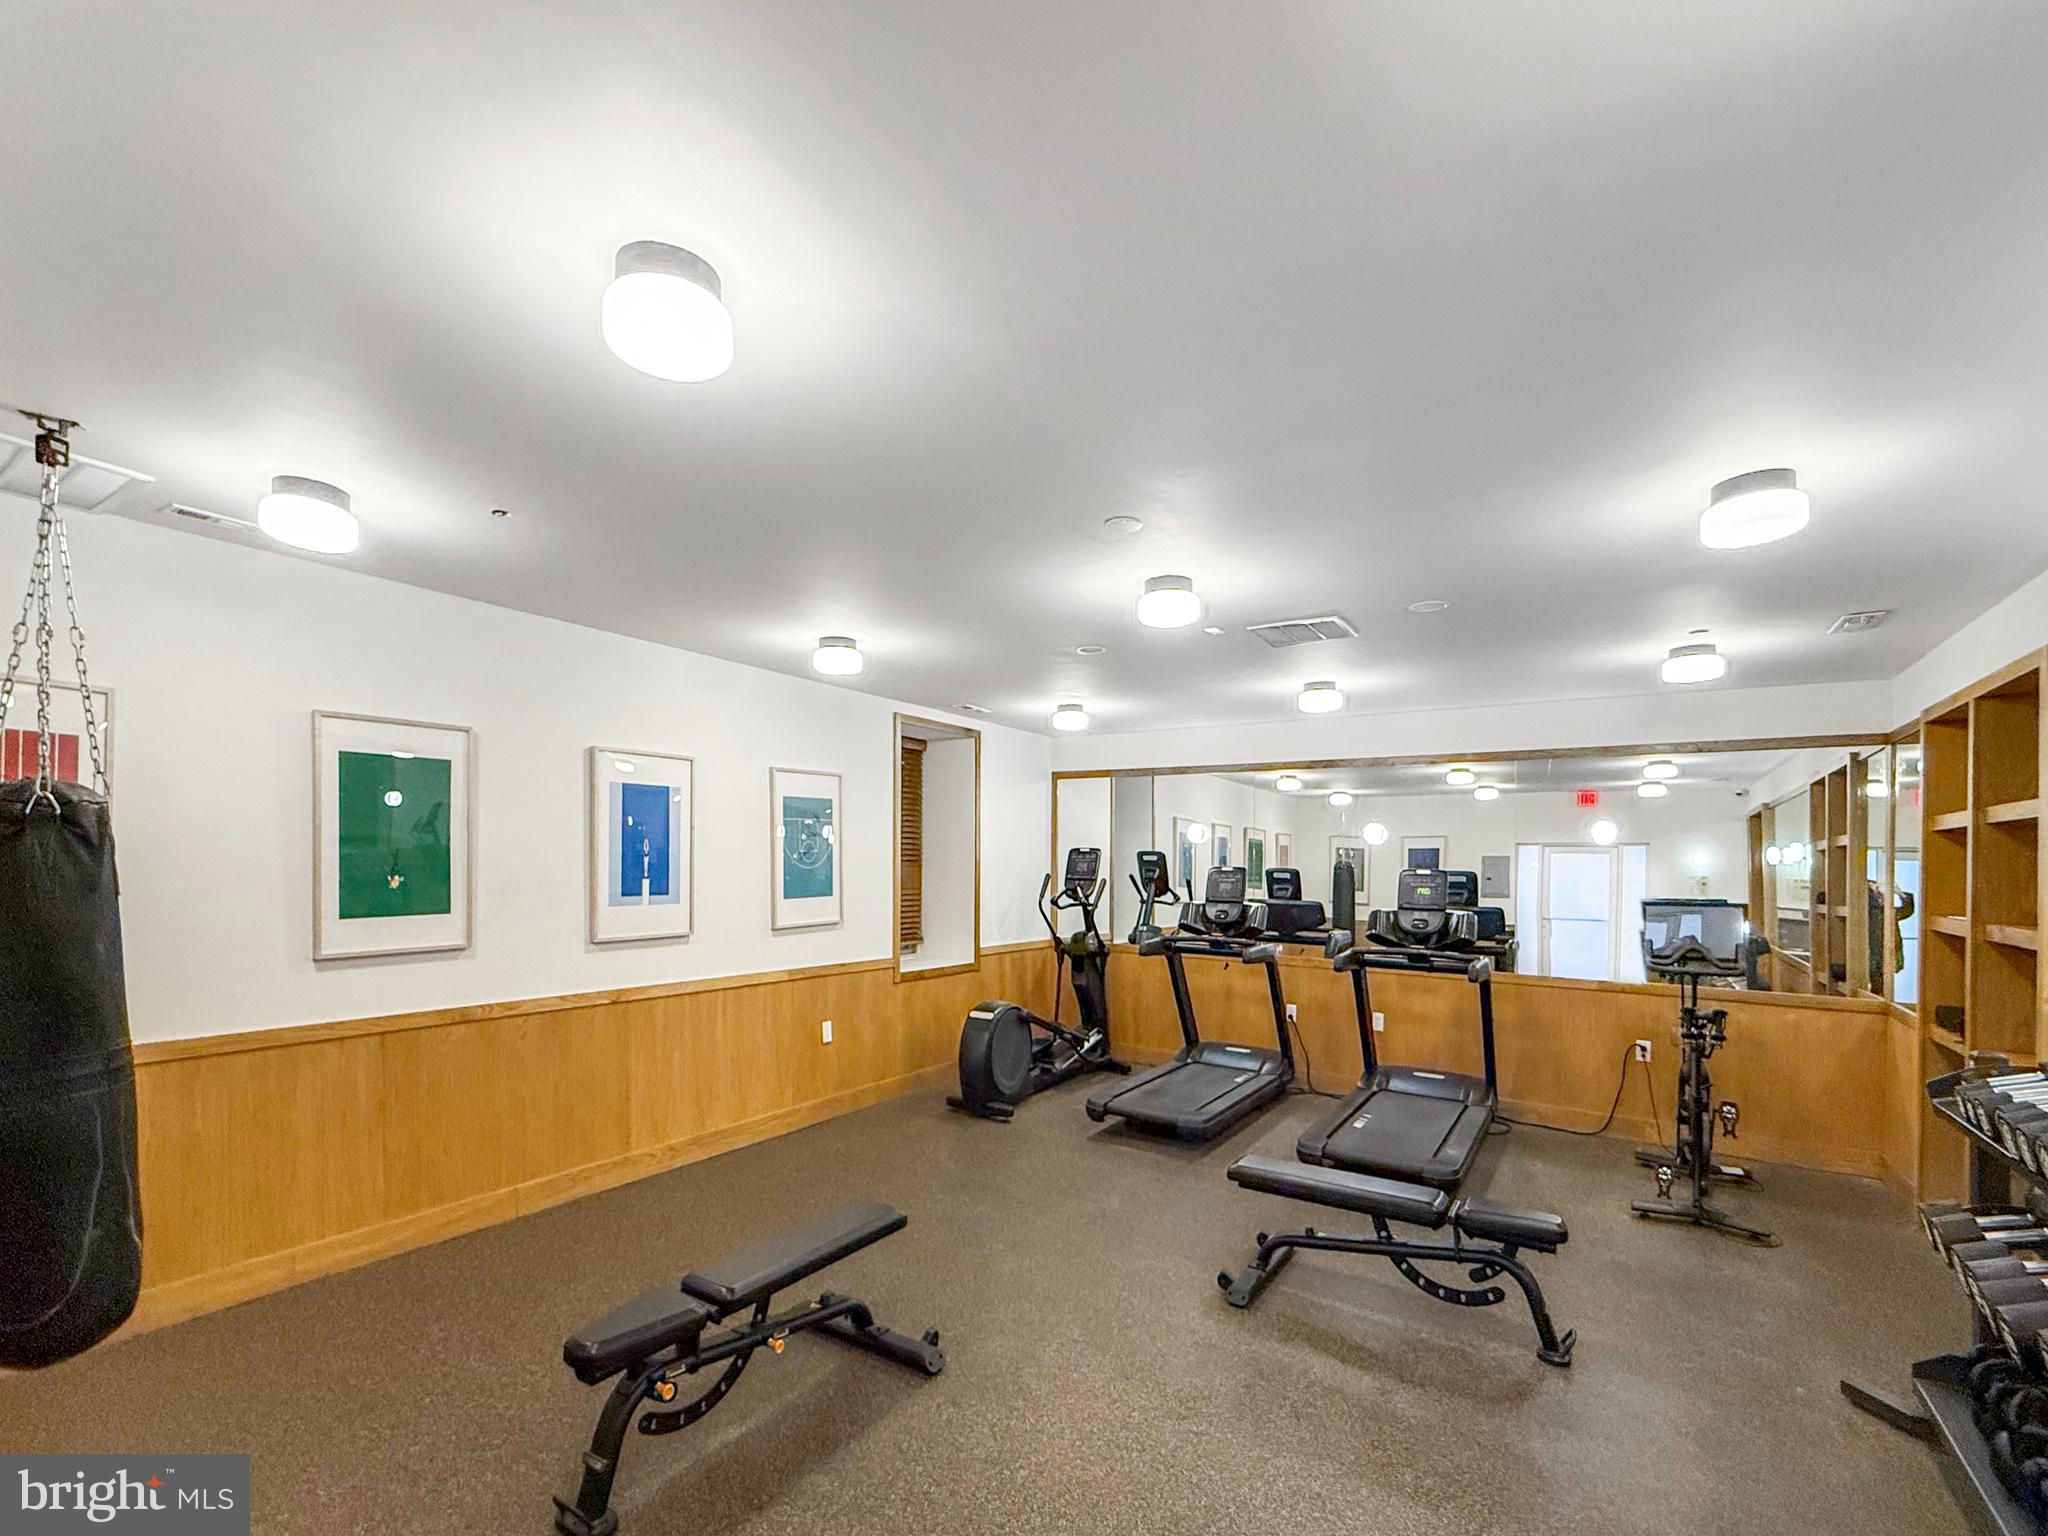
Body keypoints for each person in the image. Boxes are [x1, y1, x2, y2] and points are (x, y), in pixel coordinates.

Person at [1869, 879, 1915, 993]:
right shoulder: (1871, 909)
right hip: (1872, 955)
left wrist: (1900, 893)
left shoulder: (1887, 911)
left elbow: (1907, 911)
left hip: (1886, 952)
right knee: (1876, 987)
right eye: (1875, 888)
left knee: (1882, 988)